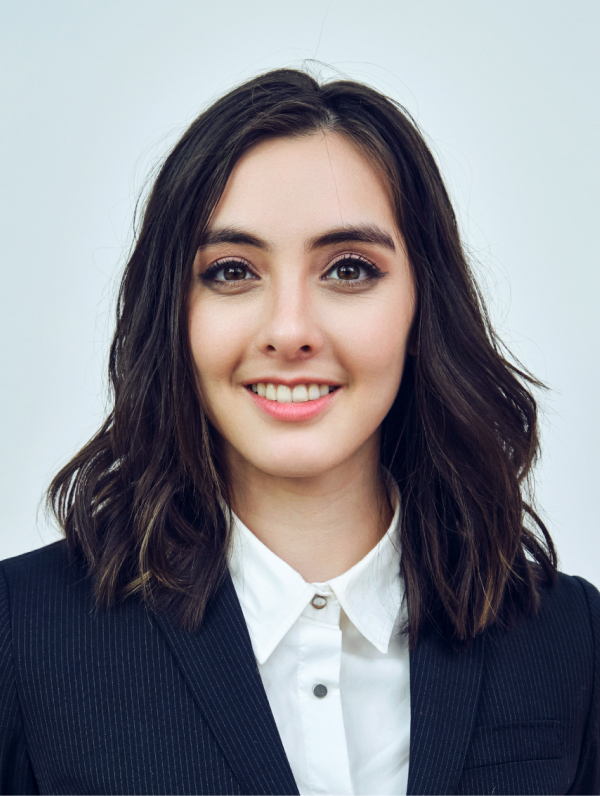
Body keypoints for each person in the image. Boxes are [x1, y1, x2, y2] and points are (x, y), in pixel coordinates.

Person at [0, 68, 598, 796]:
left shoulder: (571, 639)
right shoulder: (23, 634)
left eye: (348, 269)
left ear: (422, 307)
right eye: (231, 271)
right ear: (175, 314)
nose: (289, 330)